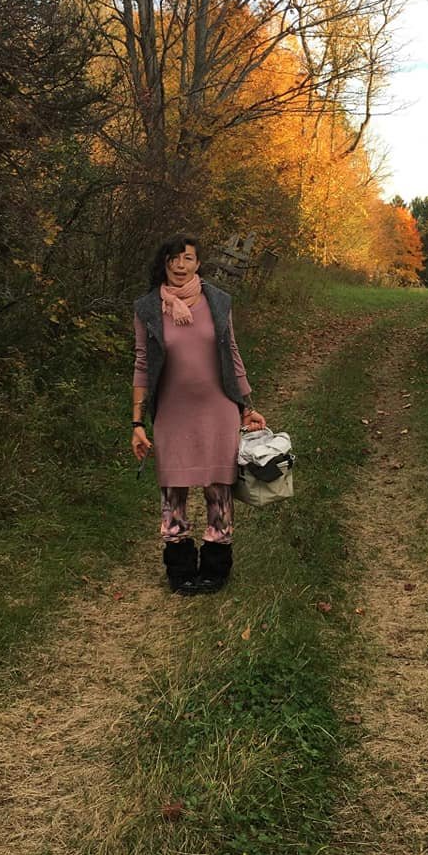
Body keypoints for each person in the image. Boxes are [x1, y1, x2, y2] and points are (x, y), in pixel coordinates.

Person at [131, 235, 266, 595]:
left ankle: (215, 567)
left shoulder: (218, 301)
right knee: (173, 490)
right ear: (163, 263)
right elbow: (142, 364)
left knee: (218, 489)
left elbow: (232, 352)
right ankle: (179, 568)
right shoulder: (147, 308)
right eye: (173, 258)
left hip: (218, 409)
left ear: (198, 263)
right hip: (172, 412)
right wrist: (137, 422)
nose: (180, 265)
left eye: (187, 258)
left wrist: (247, 405)